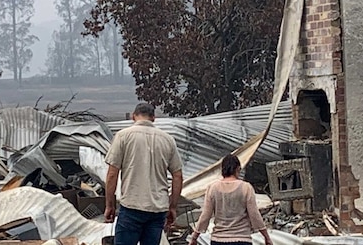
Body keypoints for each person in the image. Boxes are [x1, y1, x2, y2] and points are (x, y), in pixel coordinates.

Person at [105, 102, 184, 245]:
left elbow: (112, 174)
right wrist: (172, 206)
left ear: (133, 116)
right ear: (153, 118)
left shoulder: (123, 136)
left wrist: (109, 205)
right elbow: (177, 176)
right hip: (157, 210)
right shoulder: (168, 140)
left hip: (131, 207)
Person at [189, 155, 272, 245]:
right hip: (242, 240)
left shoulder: (213, 188)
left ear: (223, 170)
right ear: (238, 169)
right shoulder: (246, 187)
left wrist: (194, 237)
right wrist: (266, 237)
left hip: (218, 240)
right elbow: (254, 215)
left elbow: (205, 215)